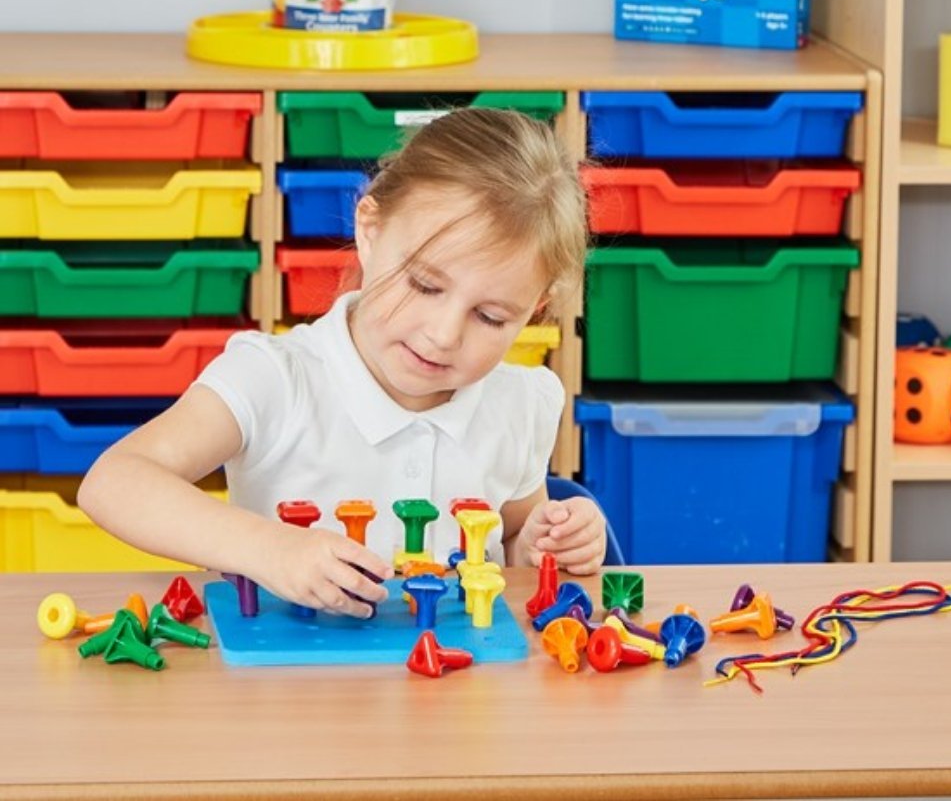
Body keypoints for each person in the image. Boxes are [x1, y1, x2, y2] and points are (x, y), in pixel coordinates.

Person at [78, 107, 606, 618]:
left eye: (490, 317)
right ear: (370, 230)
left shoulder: (519, 403)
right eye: (424, 284)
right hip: (288, 690)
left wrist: (544, 541)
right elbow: (115, 482)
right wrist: (267, 548)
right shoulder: (275, 378)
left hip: (455, 695)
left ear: (533, 311)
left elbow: (508, 538)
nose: (444, 335)